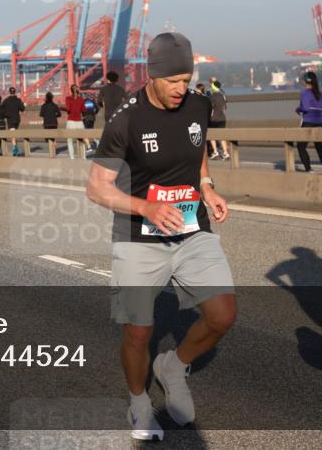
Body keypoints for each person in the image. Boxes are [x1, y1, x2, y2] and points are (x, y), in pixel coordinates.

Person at [85, 32, 235, 442]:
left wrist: (206, 186)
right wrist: (147, 207)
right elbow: (97, 187)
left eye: (186, 79)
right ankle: (138, 401)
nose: (181, 89)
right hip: (138, 236)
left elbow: (197, 146)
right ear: (152, 75)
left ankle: (173, 365)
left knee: (223, 315)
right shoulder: (126, 118)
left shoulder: (199, 104)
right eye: (173, 81)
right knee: (138, 330)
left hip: (191, 227)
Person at [295, 71, 322, 174]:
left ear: (305, 81)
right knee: (320, 149)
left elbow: (305, 108)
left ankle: (309, 169)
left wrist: (298, 109)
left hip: (309, 122)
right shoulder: (320, 93)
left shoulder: (304, 93)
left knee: (301, 146)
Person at [208, 80, 230, 161]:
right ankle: (225, 153)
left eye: (211, 86)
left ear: (213, 87)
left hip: (213, 119)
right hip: (222, 118)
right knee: (222, 136)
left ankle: (215, 152)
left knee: (211, 136)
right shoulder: (223, 96)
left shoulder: (212, 96)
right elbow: (225, 108)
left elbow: (210, 108)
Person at [64, 84, 87, 160]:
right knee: (82, 140)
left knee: (70, 141)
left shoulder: (67, 98)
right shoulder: (81, 99)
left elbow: (68, 109)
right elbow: (84, 110)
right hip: (79, 122)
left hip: (71, 122)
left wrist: (62, 108)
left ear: (71, 90)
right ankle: (83, 157)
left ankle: (72, 158)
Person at [1, 87, 25, 156]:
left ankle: (15, 149)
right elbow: (22, 108)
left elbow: (2, 109)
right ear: (15, 92)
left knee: (13, 134)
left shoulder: (6, 100)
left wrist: (5, 115)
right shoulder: (18, 100)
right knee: (14, 133)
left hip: (10, 119)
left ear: (9, 92)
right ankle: (16, 148)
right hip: (17, 119)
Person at [39, 91, 62, 156]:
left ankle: (51, 151)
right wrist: (54, 116)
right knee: (53, 137)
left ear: (46, 98)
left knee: (47, 138)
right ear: (52, 98)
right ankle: (54, 149)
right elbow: (59, 114)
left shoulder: (43, 106)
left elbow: (41, 114)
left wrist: (46, 115)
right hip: (54, 123)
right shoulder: (55, 105)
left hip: (46, 123)